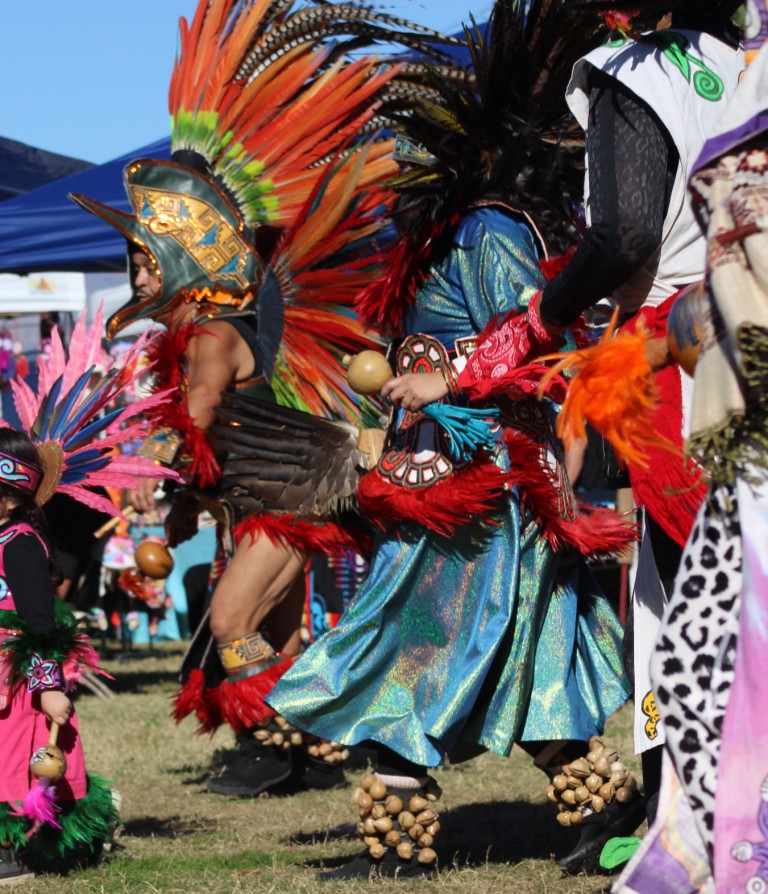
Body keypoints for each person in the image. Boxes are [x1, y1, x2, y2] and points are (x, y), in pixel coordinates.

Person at [269, 0, 637, 879]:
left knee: (418, 638)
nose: (402, 163)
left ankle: (414, 835)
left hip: (480, 488)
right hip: (447, 476)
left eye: (417, 148)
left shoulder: (491, 229)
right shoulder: (447, 233)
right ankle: (597, 805)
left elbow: (538, 340)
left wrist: (446, 378)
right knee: (511, 646)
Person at [71, 0, 453, 798]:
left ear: (180, 264)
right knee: (272, 630)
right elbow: (210, 445)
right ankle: (297, 751)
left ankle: (315, 729)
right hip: (277, 493)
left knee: (229, 625)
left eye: (147, 263)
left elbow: (201, 419)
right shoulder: (199, 335)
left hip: (302, 496)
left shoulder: (210, 339)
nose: (138, 277)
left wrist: (142, 459)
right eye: (133, 264)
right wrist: (185, 503)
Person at [611, 3, 768, 889]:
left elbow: (628, 235)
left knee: (695, 631)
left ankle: (703, 831)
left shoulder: (642, 74)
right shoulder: (732, 64)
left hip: (726, 384)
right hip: (726, 377)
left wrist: (547, 326)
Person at [0, 309, 173, 884]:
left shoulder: (20, 544)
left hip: (20, 682)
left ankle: (17, 850)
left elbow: (40, 624)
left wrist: (49, 690)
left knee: (17, 762)